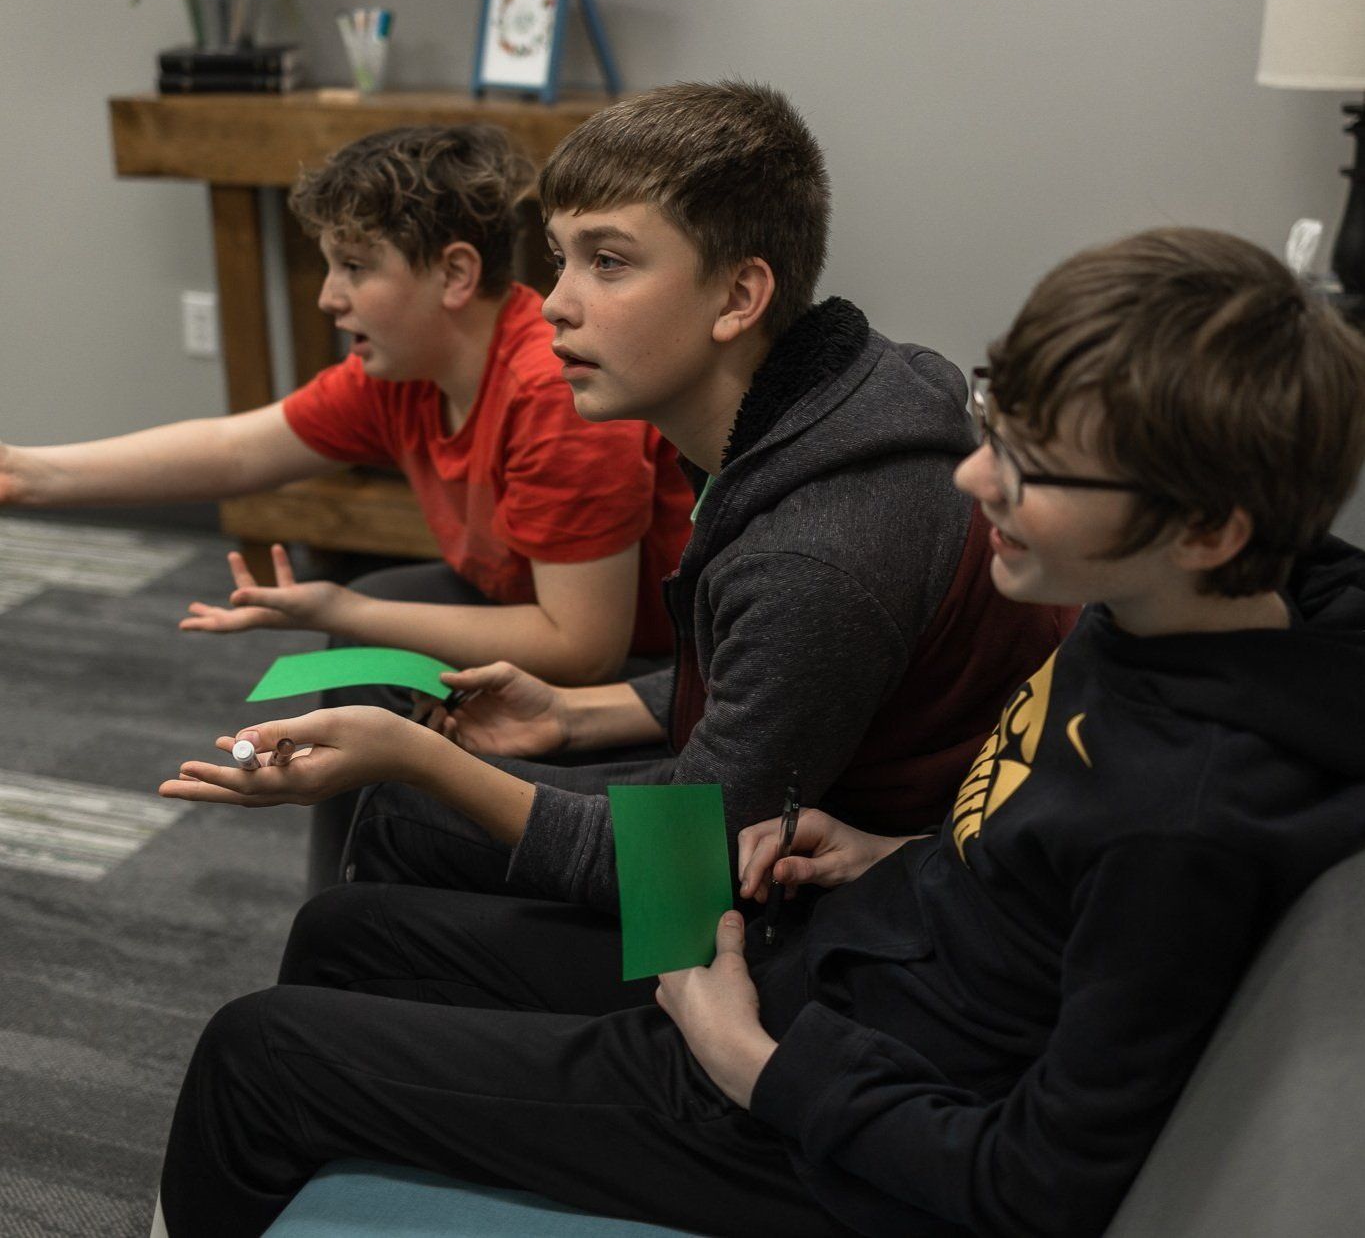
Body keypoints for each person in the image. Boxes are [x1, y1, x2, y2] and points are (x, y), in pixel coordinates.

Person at [158, 227, 1365, 1237]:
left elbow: (1038, 1185)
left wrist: (753, 1063)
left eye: (609, 261)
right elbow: (1039, 861)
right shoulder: (1160, 613)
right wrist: (898, 853)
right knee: (351, 926)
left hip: (807, 1094)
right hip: (838, 945)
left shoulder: (1183, 809)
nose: (974, 479)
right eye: (998, 426)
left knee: (259, 1051)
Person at [165, 80, 1068, 909]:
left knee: (389, 839)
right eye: (559, 259)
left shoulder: (815, 547)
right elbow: (752, 674)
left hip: (833, 911)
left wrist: (419, 758)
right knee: (386, 836)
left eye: (607, 262)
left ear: (739, 294)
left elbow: (683, 863)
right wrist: (571, 714)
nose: (554, 303)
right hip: (768, 811)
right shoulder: (811, 410)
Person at [0, 124, 693, 685]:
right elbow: (237, 448)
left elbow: (584, 649)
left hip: (661, 671)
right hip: (533, 610)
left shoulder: (553, 395)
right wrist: (25, 473)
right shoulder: (399, 373)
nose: (329, 297)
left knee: (368, 652)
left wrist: (348, 607)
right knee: (362, 653)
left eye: (355, 267)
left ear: (455, 273)